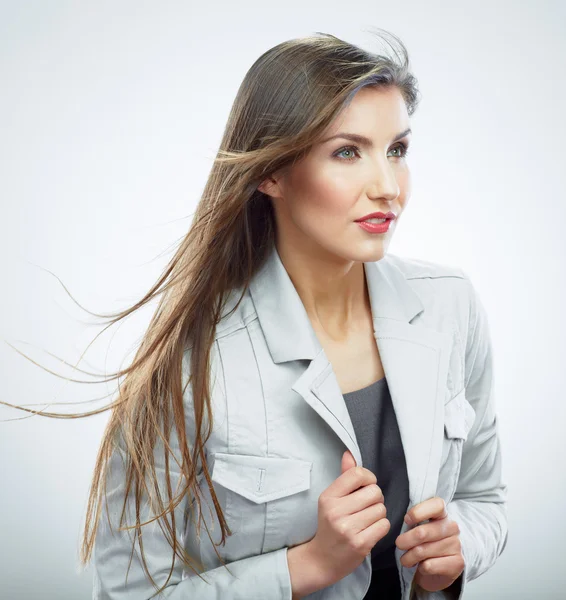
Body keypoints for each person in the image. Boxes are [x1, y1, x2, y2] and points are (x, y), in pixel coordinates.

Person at [3, 29, 508, 599]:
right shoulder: (189, 360)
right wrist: (306, 566)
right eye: (348, 152)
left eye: (397, 150)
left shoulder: (450, 305)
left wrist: (458, 548)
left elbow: (485, 498)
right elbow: (130, 591)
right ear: (271, 173)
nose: (389, 187)